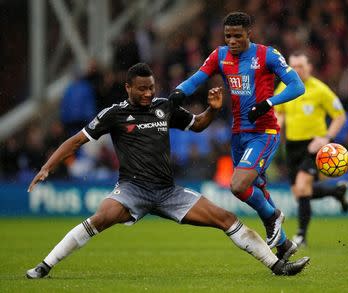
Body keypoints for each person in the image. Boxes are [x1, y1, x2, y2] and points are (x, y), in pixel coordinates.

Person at [25, 63, 310, 279]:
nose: (149, 93)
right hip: (132, 189)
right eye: (142, 89)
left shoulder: (164, 107)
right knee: (101, 217)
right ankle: (44, 266)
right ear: (128, 88)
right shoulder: (113, 114)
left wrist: (211, 110)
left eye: (151, 87)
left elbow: (197, 125)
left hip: (167, 191)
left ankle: (277, 266)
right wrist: (47, 167)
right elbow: (76, 141)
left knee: (226, 219)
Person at [169, 12, 305, 260]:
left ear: (249, 34)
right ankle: (284, 246)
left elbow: (298, 86)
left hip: (263, 133)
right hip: (238, 134)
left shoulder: (267, 55)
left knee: (238, 185)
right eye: (228, 36)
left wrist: (268, 103)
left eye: (237, 36)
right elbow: (197, 78)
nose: (232, 40)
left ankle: (274, 216)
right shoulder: (220, 55)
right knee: (256, 188)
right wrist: (178, 94)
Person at [274, 52, 348, 247]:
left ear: (309, 67)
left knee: (302, 185)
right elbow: (279, 113)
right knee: (300, 192)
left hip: (315, 146)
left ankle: (301, 235)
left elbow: (339, 115)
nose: (297, 70)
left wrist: (326, 138)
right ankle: (336, 193)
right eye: (293, 66)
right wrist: (276, 129)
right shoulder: (284, 86)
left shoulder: (320, 89)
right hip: (292, 146)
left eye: (301, 66)